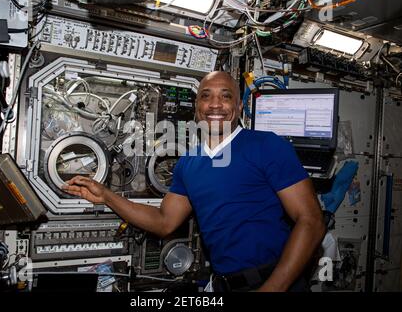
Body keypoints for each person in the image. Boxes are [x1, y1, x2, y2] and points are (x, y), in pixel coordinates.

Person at [62, 71, 326, 292]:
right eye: (206, 96)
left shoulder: (267, 145)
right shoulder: (189, 163)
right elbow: (164, 222)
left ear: (238, 107)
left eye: (226, 96)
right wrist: (107, 195)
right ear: (197, 109)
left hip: (275, 282)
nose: (215, 104)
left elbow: (311, 221)